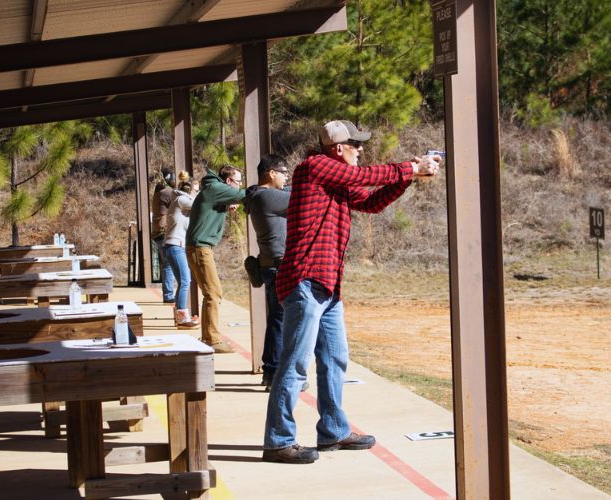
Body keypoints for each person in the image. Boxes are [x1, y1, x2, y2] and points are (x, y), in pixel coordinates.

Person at [262, 120, 440, 464]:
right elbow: (363, 178)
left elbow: (372, 202)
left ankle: (333, 430)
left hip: (327, 283)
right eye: (355, 144)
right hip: (305, 280)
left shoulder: (335, 179)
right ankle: (278, 440)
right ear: (337, 148)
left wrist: (409, 177)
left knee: (334, 359)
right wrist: (410, 166)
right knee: (295, 365)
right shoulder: (314, 167)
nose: (361, 149)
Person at [242, 154, 292, 391]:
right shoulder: (267, 196)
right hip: (279, 265)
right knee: (280, 321)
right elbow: (302, 198)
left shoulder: (258, 195)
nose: (286, 177)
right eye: (283, 172)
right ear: (271, 172)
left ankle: (272, 372)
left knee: (277, 319)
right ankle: (273, 372)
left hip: (271, 264)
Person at [185, 165, 246, 353]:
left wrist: (226, 204)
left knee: (211, 293)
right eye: (238, 182)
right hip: (200, 247)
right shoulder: (215, 189)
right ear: (228, 182)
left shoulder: (213, 189)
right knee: (214, 293)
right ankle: (212, 339)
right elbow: (246, 195)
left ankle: (208, 336)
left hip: (198, 246)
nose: (240, 185)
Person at [164, 179, 199, 328]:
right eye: (196, 190)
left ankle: (180, 316)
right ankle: (182, 317)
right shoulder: (181, 200)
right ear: (189, 190)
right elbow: (200, 205)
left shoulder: (181, 201)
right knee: (186, 281)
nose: (197, 193)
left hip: (175, 245)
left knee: (182, 282)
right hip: (175, 245)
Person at [151, 168, 177, 303]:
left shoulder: (158, 192)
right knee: (168, 264)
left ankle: (169, 293)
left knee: (166, 263)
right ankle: (168, 295)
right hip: (164, 232)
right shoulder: (167, 193)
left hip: (159, 232)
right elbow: (181, 201)